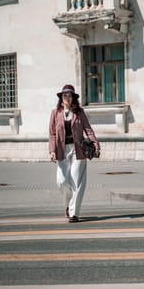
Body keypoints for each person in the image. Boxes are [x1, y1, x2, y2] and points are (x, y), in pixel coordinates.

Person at [49, 84, 100, 223]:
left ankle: (74, 213)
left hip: (78, 150)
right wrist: (52, 151)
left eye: (69, 95)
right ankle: (69, 205)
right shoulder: (55, 113)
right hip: (62, 150)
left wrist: (95, 144)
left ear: (73, 98)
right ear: (61, 98)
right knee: (62, 181)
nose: (67, 98)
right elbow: (52, 134)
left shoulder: (79, 112)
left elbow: (88, 129)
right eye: (64, 95)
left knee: (77, 182)